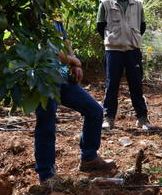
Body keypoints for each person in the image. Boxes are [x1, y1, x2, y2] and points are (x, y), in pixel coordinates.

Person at [34, 20, 116, 183]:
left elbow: (65, 41)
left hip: (62, 75)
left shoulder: (55, 15)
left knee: (94, 111)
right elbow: (48, 49)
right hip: (44, 77)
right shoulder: (36, 12)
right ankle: (46, 174)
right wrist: (73, 61)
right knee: (46, 123)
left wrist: (73, 62)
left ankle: (88, 158)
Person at [96, 0, 155, 130]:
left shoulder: (138, 3)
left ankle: (142, 118)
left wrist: (130, 39)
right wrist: (114, 39)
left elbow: (142, 26)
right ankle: (108, 118)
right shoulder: (105, 3)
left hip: (133, 50)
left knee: (136, 85)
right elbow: (100, 26)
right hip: (113, 51)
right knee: (112, 85)